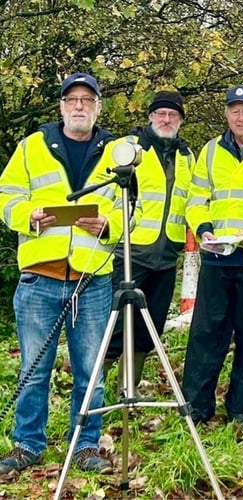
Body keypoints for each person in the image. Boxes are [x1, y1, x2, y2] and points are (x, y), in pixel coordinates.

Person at [0, 72, 135, 474]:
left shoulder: (119, 152)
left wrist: (109, 225)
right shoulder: (32, 147)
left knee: (90, 370)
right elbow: (7, 197)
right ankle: (27, 444)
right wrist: (29, 217)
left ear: (98, 106)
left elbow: (135, 209)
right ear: (61, 106)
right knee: (33, 370)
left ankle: (86, 445)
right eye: (72, 99)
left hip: (91, 279)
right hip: (39, 278)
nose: (79, 105)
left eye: (87, 99)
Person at [181, 85, 243, 428]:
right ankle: (196, 407)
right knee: (206, 335)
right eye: (234, 110)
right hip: (217, 256)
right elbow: (196, 198)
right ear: (226, 114)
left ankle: (242, 411)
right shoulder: (210, 151)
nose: (241, 116)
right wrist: (204, 229)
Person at [104, 90, 194, 395]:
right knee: (115, 325)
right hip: (129, 252)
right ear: (150, 117)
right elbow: (107, 195)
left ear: (180, 121)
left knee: (149, 327)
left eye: (173, 115)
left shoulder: (186, 157)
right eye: (161, 114)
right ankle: (92, 389)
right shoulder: (127, 148)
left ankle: (127, 389)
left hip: (167, 255)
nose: (166, 119)